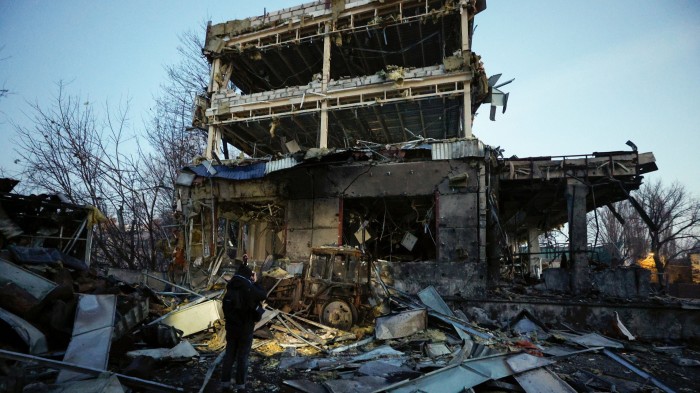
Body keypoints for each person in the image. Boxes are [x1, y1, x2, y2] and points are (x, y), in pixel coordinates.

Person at [220, 260, 267, 392]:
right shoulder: (249, 288)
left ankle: (225, 383)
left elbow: (225, 307)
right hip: (245, 328)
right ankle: (240, 385)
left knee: (229, 355)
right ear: (249, 276)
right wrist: (256, 282)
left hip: (231, 328)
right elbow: (263, 295)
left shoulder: (231, 287)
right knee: (243, 357)